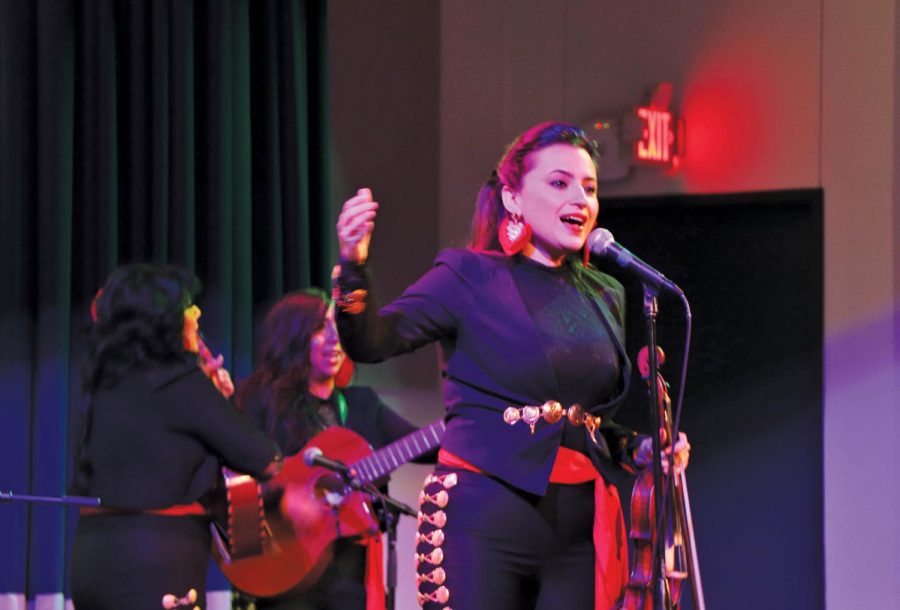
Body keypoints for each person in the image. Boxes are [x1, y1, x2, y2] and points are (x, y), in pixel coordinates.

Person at [333, 121, 691, 610]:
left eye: (589, 188)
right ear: (514, 199)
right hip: (485, 515)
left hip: (578, 528)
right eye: (560, 183)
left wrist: (641, 449)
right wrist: (353, 265)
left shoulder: (605, 293)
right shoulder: (468, 276)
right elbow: (372, 341)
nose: (580, 200)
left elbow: (586, 420)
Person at [70, 264, 283, 610]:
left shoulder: (103, 381)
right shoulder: (182, 383)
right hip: (153, 562)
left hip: (92, 558)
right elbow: (263, 459)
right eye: (187, 305)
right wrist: (221, 401)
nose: (196, 312)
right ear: (164, 320)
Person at [235, 288, 437, 610]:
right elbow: (230, 476)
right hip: (285, 568)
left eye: (337, 328)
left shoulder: (362, 403)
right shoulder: (261, 400)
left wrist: (476, 419)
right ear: (292, 339)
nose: (334, 339)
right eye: (319, 328)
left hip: (349, 575)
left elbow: (427, 445)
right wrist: (281, 494)